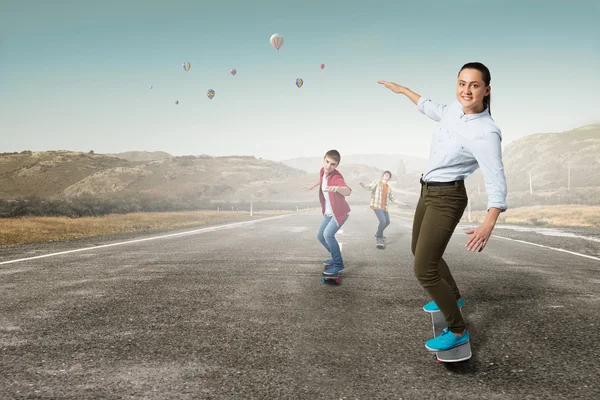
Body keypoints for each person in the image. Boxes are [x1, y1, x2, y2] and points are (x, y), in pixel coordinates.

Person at [378, 62, 508, 352]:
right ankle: (455, 296)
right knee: (418, 250)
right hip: (428, 191)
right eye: (462, 83)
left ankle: (458, 329)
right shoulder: (454, 109)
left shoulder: (486, 132)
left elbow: (496, 180)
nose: (467, 90)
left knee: (424, 269)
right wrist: (402, 90)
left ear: (486, 90)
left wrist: (489, 223)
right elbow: (430, 107)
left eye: (474, 85)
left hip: (448, 197)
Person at [304, 150, 352, 275]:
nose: (328, 166)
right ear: (323, 159)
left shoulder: (336, 176)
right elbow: (321, 179)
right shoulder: (322, 171)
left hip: (339, 213)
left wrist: (337, 188)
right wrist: (311, 186)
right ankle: (335, 257)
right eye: (327, 162)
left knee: (328, 235)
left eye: (333, 164)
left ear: (336, 166)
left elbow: (347, 191)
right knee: (320, 236)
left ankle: (338, 264)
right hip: (328, 213)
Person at [359, 171, 408, 246]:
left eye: (388, 175)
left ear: (389, 178)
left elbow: (392, 199)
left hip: (384, 207)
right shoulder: (377, 182)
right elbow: (370, 187)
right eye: (385, 174)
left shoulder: (388, 188)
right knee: (383, 221)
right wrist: (363, 186)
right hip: (376, 205)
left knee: (387, 221)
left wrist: (402, 203)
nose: (386, 175)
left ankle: (378, 232)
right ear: (383, 176)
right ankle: (379, 238)